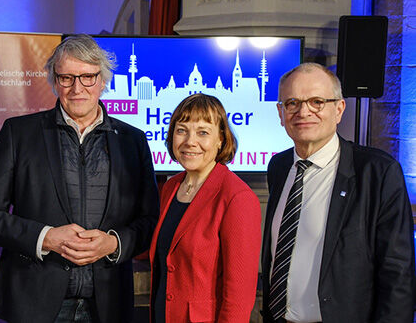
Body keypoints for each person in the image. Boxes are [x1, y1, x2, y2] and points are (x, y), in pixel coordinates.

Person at [0, 34, 159, 323]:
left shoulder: (132, 141)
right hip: (34, 304)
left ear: (103, 80)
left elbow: (148, 221)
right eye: (67, 78)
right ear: (54, 81)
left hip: (107, 305)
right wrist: (46, 238)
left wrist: (114, 243)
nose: (77, 88)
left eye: (87, 77)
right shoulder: (19, 134)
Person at [262, 62, 416, 323]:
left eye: (317, 102)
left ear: (339, 109)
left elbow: (397, 274)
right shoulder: (278, 167)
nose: (303, 111)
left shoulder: (377, 172)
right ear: (280, 112)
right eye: (292, 103)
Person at [149, 93, 261, 322]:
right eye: (181, 130)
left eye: (202, 132)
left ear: (221, 139)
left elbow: (239, 298)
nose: (190, 141)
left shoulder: (236, 197)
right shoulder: (171, 188)